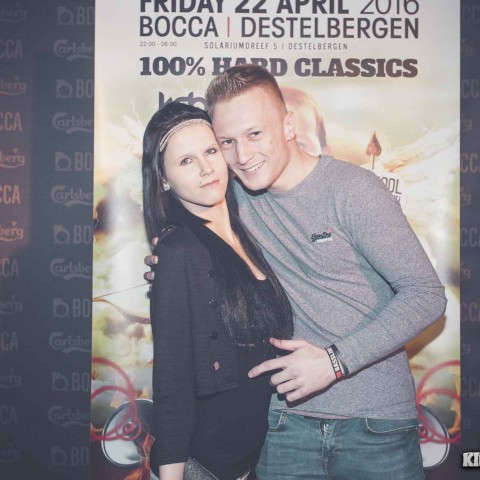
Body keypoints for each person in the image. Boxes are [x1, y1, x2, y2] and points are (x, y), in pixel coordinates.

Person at [144, 65, 447, 479]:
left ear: (288, 126)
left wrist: (335, 361)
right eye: (227, 142)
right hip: (282, 424)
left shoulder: (353, 190)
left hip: (374, 423)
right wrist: (171, 269)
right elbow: (197, 247)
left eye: (255, 134)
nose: (243, 156)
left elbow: (426, 294)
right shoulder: (232, 196)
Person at [142, 101, 293, 480]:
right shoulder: (178, 252)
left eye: (210, 151)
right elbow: (172, 384)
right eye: (186, 161)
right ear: (163, 179)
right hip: (201, 467)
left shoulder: (250, 231)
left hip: (248, 465)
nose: (206, 168)